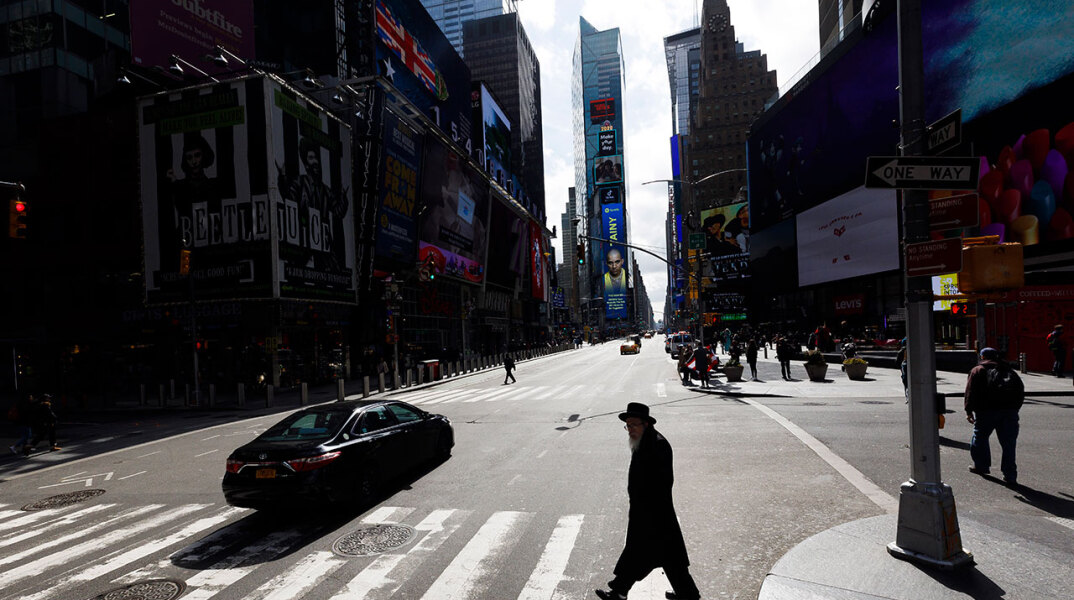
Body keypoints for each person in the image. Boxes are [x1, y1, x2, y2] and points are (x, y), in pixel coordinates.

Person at [596, 403, 700, 600]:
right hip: (647, 513)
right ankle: (687, 595)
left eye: (634, 424)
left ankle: (619, 591)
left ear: (646, 424)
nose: (630, 429)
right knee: (668, 558)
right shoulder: (643, 441)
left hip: (654, 514)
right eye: (628, 425)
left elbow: (663, 483)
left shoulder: (657, 444)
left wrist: (646, 511)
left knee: (641, 554)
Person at [965, 347, 1024, 485]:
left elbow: (970, 392)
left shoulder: (977, 370)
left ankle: (981, 466)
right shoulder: (1009, 371)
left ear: (983, 357)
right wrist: (1014, 410)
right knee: (1008, 444)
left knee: (980, 438)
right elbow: (1020, 392)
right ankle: (1010, 475)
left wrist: (968, 411)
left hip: (986, 411)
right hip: (1009, 412)